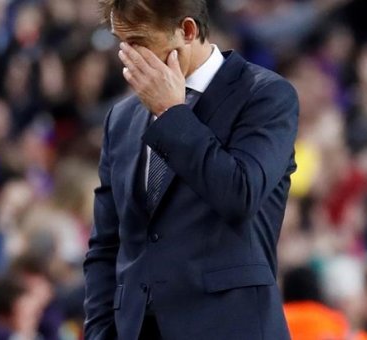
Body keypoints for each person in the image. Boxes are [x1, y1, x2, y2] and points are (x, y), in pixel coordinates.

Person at [82, 0, 299, 339]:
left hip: (229, 327)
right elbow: (107, 244)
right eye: (120, 42)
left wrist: (171, 113)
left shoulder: (265, 95)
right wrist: (99, 332)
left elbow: (239, 194)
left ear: (187, 30)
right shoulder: (121, 118)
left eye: (138, 41)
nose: (126, 56)